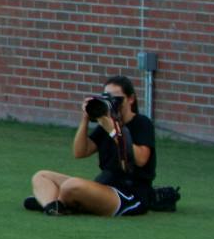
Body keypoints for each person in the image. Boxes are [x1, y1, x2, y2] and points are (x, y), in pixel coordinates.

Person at [27, 76, 158, 216]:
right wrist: (85, 118)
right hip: (103, 186)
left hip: (129, 194)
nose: (113, 103)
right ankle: (53, 206)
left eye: (117, 99)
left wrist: (113, 131)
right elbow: (80, 152)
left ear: (130, 99)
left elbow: (141, 159)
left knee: (71, 185)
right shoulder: (106, 123)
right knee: (41, 176)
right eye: (107, 99)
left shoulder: (141, 123)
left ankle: (53, 200)